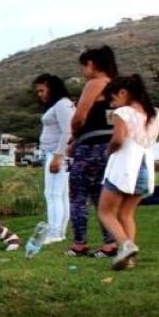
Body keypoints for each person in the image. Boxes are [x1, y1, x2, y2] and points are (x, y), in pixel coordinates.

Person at [97, 75, 159, 271]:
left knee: (105, 212)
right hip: (144, 167)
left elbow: (118, 140)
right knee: (127, 214)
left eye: (113, 98)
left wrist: (107, 152)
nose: (112, 103)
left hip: (124, 167)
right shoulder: (155, 113)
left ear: (123, 93)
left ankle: (125, 245)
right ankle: (128, 259)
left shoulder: (123, 112)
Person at [66, 46, 119, 258]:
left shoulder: (95, 84)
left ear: (92, 64)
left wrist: (74, 135)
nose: (83, 71)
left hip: (89, 147)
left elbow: (80, 116)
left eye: (84, 66)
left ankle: (80, 243)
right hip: (110, 147)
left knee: (78, 195)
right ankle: (110, 242)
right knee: (102, 196)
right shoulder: (117, 86)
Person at [33, 74, 74, 245]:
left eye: (42, 90)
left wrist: (58, 156)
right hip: (56, 153)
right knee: (61, 194)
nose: (40, 94)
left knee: (52, 194)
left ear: (52, 88)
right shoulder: (61, 105)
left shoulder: (62, 105)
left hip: (57, 153)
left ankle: (55, 232)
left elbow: (68, 131)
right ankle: (60, 231)